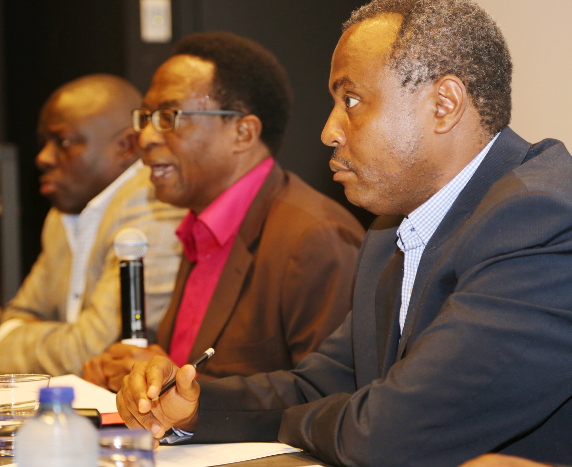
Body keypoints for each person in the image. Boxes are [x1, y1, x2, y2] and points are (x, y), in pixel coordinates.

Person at [116, 1, 572, 466]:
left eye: (350, 100)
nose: (329, 130)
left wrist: (300, 421)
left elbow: (391, 434)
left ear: (444, 105)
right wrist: (195, 407)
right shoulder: (390, 230)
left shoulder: (542, 218)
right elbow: (323, 383)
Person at [82, 32, 365, 392]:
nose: (147, 138)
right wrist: (141, 375)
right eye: (147, 117)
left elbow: (329, 398)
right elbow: (187, 367)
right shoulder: (199, 227)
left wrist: (178, 389)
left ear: (243, 133)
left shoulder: (315, 237)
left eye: (169, 116)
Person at [0, 74, 185, 376]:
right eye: (43, 143)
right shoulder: (62, 215)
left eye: (63, 142)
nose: (42, 158)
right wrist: (14, 336)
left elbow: (92, 350)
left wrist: (19, 340)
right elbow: (16, 316)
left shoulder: (153, 205)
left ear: (127, 146)